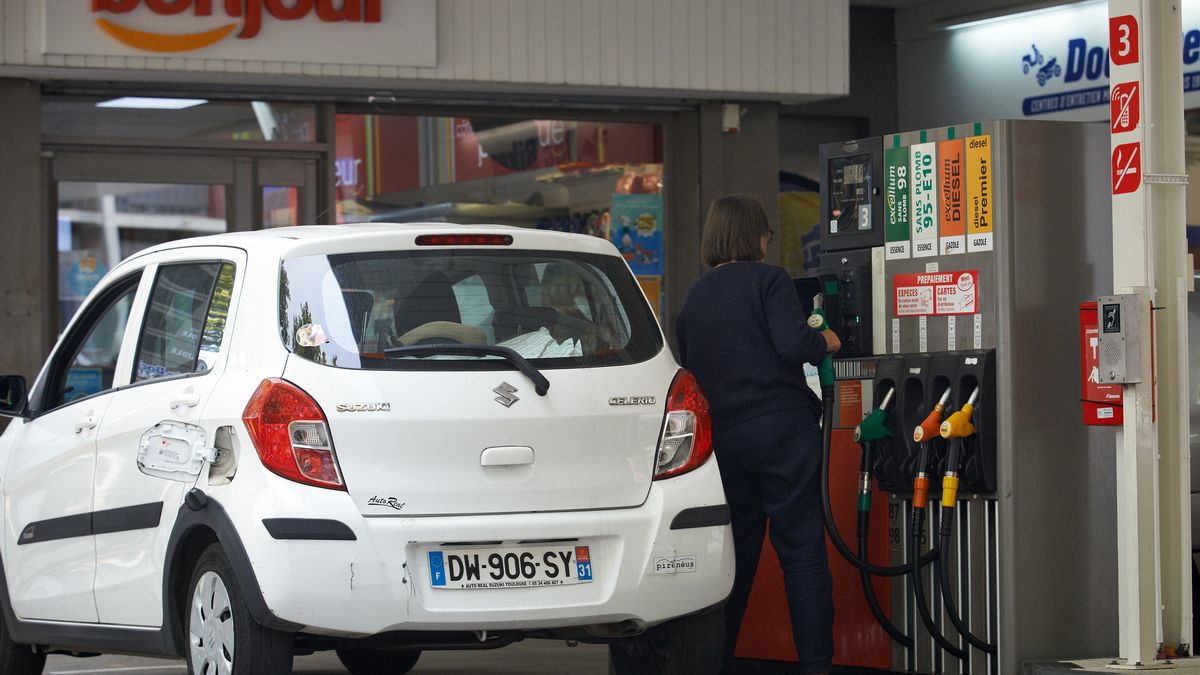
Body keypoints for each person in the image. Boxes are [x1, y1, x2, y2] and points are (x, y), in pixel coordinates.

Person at [675, 194, 840, 675]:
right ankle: (816, 667)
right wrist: (826, 340)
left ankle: (718, 662)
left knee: (735, 560)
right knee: (802, 552)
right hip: (783, 434)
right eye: (766, 233)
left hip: (725, 443)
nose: (768, 242)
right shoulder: (770, 280)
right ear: (756, 237)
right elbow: (794, 344)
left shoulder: (695, 296)